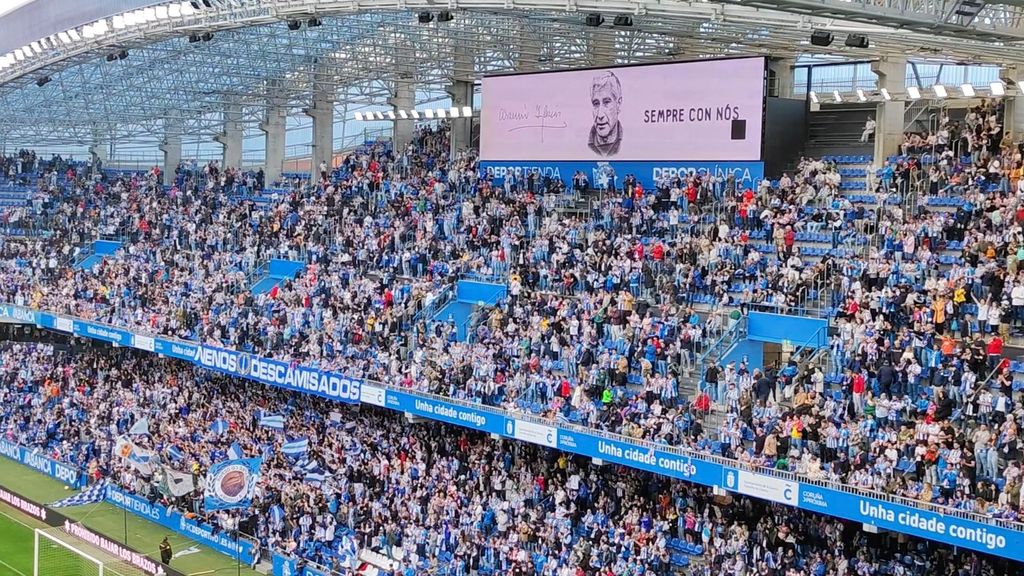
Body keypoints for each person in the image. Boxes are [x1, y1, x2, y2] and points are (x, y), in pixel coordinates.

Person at [588, 71, 623, 156]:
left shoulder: (628, 143)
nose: (600, 115)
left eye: (606, 102)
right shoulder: (582, 145)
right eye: (596, 103)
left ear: (618, 104)